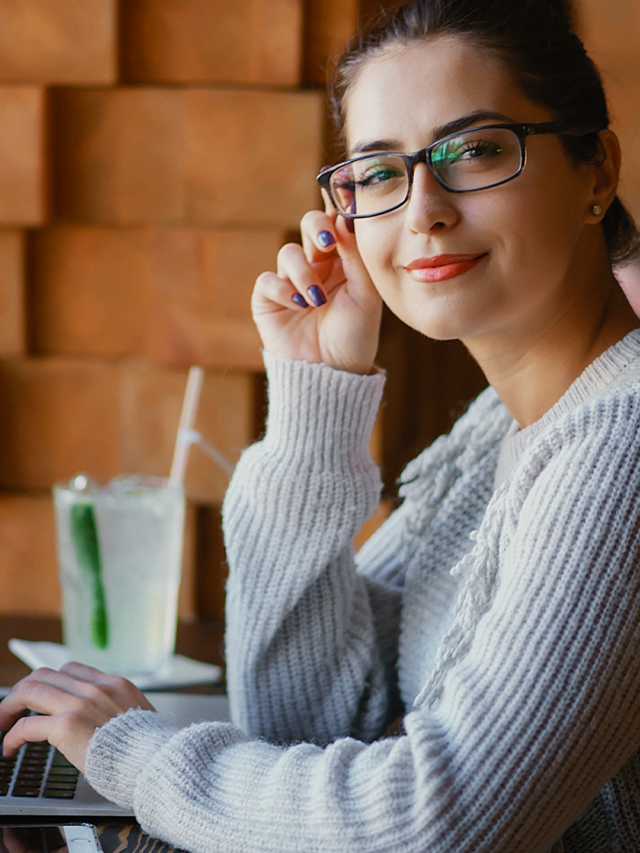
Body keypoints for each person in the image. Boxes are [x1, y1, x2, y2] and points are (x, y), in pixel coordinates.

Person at [2, 0, 640, 850]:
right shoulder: (497, 432)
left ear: (597, 169)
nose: (424, 211)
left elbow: (435, 826)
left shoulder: (619, 446)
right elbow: (303, 718)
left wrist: (135, 754)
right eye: (379, 173)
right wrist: (315, 393)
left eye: (477, 151)